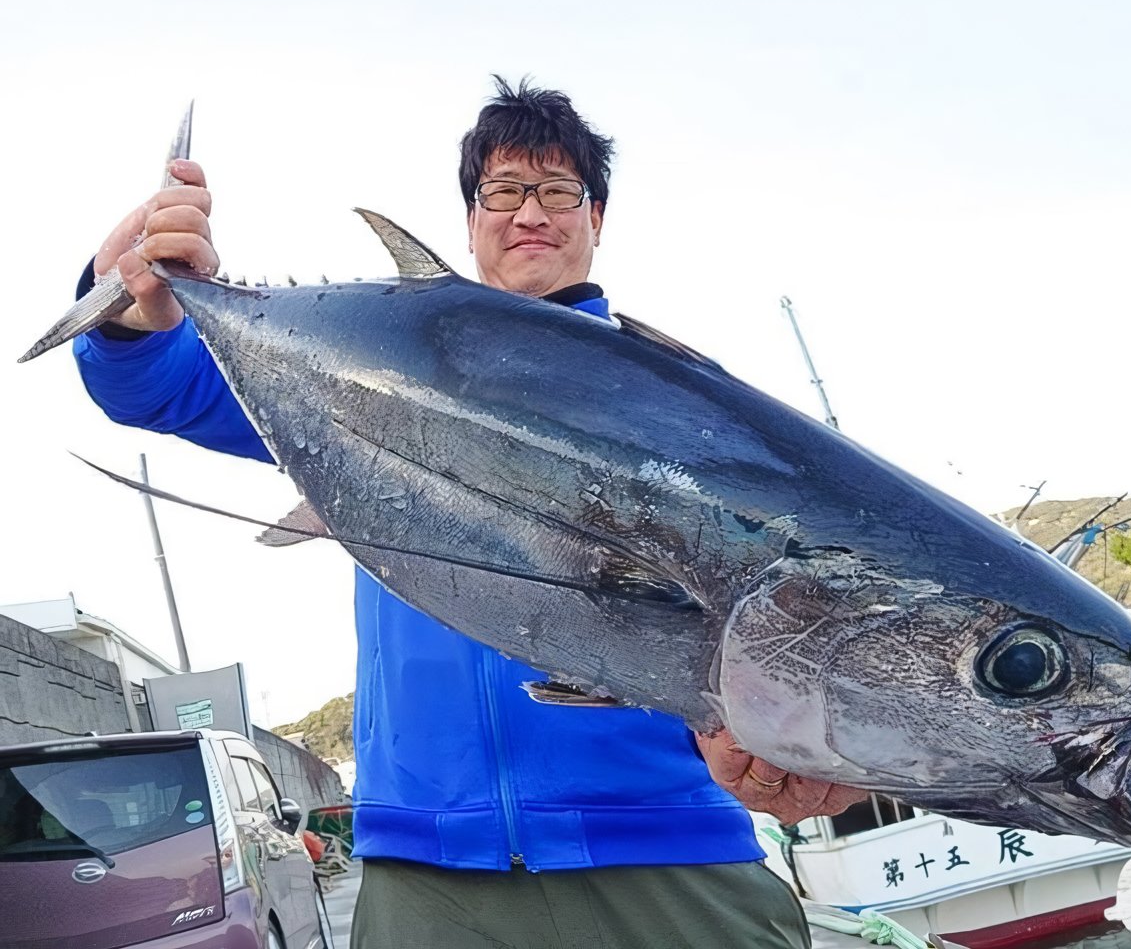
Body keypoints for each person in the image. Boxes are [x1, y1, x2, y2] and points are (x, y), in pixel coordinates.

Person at [74, 77, 864, 948]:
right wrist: (130, 315)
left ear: (596, 219)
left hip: (669, 856)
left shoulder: (679, 399)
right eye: (504, 191)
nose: (532, 211)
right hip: (428, 872)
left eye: (560, 191)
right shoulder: (364, 372)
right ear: (471, 218)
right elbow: (163, 389)